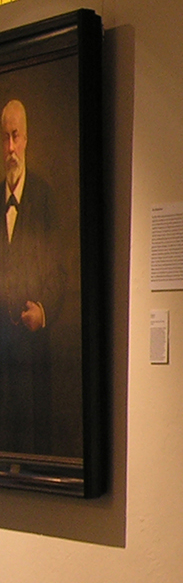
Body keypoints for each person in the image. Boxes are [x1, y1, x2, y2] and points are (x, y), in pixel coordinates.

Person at [1, 97, 66, 457]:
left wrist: (43, 311)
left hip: (33, 346)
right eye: (4, 137)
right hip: (1, 345)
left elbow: (59, 272)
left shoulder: (44, 196)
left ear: (26, 139)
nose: (10, 147)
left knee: (35, 441)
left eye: (16, 136)